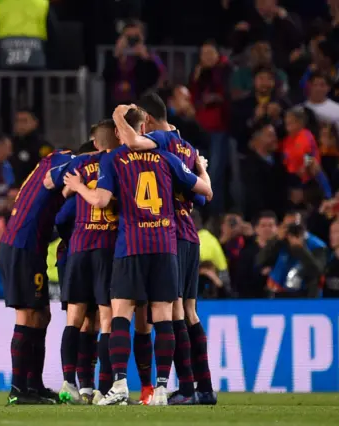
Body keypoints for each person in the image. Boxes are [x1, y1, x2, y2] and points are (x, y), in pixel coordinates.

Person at [64, 107, 212, 406]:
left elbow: (102, 200)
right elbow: (205, 192)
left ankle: (119, 385)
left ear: (120, 132)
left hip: (131, 245)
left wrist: (79, 186)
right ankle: (159, 389)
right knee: (163, 316)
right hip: (166, 245)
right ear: (144, 129)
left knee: (121, 313)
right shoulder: (168, 157)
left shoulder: (114, 158)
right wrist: (201, 167)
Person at [126, 92, 216, 404]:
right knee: (190, 310)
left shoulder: (160, 140)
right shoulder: (188, 148)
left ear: (147, 120)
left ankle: (188, 388)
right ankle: (205, 388)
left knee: (174, 310)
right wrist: (202, 169)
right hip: (190, 234)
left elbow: (135, 145)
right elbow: (203, 198)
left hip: (170, 235)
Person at [50, 120, 120, 405]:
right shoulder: (120, 165)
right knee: (106, 321)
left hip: (78, 250)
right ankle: (102, 388)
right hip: (107, 249)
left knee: (74, 321)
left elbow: (61, 214)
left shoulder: (79, 167)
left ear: (94, 142)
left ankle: (70, 383)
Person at [0, 146, 74, 405]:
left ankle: (34, 385)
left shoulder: (50, 160)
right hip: (22, 245)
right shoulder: (67, 161)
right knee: (28, 314)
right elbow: (53, 177)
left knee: (42, 314)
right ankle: (17, 390)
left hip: (30, 246)